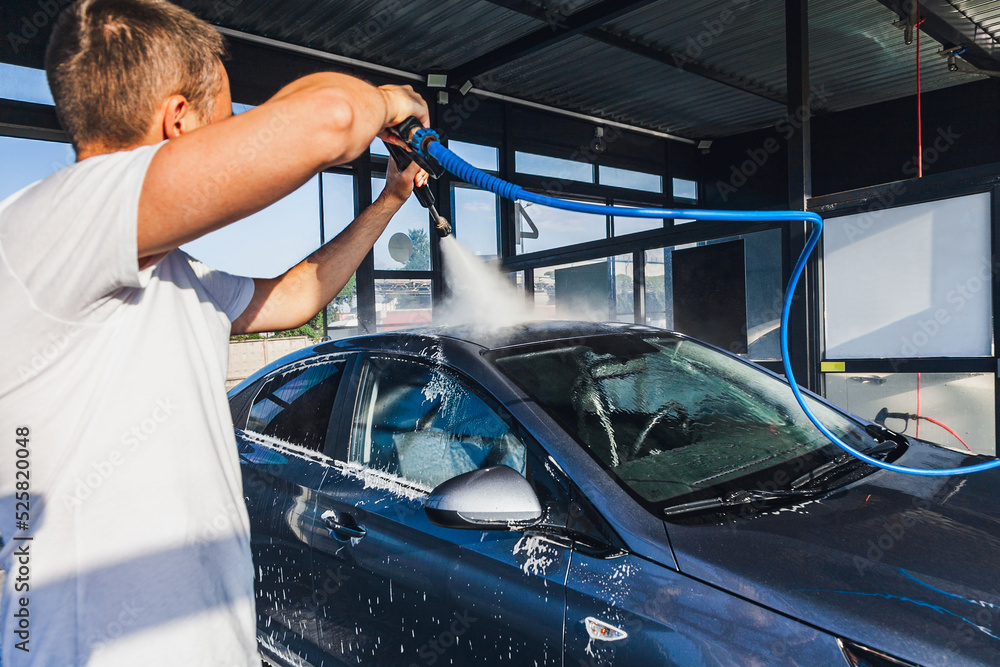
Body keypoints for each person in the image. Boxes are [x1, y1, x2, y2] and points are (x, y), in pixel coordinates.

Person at [0, 0, 429, 664]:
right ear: (178, 122)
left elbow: (293, 297)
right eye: (223, 128)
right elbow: (332, 119)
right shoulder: (49, 224)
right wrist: (385, 98)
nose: (235, 147)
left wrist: (389, 201)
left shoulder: (169, 269)